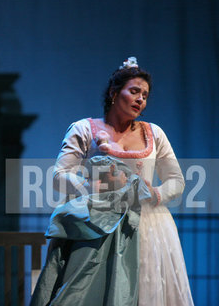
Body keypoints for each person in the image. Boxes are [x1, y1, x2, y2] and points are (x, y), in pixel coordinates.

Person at [31, 57, 194, 305]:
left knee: (145, 290)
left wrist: (155, 193)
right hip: (96, 222)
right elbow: (59, 176)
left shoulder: (154, 133)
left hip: (145, 225)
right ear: (114, 92)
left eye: (146, 95)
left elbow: (176, 180)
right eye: (135, 91)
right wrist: (90, 187)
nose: (141, 99)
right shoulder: (84, 129)